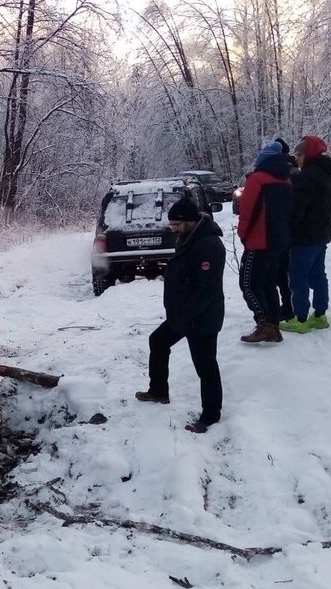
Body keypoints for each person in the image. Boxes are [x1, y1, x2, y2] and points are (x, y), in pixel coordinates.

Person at [135, 196, 225, 434]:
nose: (173, 229)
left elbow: (207, 289)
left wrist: (185, 315)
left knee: (205, 367)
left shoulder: (209, 245)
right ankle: (158, 391)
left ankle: (210, 416)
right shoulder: (189, 238)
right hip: (184, 315)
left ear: (191, 221)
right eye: (172, 225)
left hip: (201, 317)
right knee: (158, 341)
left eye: (176, 224)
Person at [236, 141, 293, 343]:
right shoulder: (286, 181)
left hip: (258, 241)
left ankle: (264, 324)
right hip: (280, 241)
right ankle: (274, 325)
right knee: (269, 283)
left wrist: (243, 235)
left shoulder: (257, 179)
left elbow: (247, 211)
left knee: (248, 283)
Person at [280, 136, 331, 333]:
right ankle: (320, 315)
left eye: (298, 154)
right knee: (318, 274)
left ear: (308, 154)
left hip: (305, 237)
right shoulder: (327, 173)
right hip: (321, 235)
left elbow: (298, 208)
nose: (296, 159)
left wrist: (289, 230)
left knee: (298, 277)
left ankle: (301, 319)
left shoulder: (307, 175)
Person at [274, 137, 300, 321]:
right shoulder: (294, 170)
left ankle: (288, 307)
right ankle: (288, 305)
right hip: (290, 227)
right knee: (284, 271)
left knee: (282, 272)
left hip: (284, 228)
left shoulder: (283, 172)